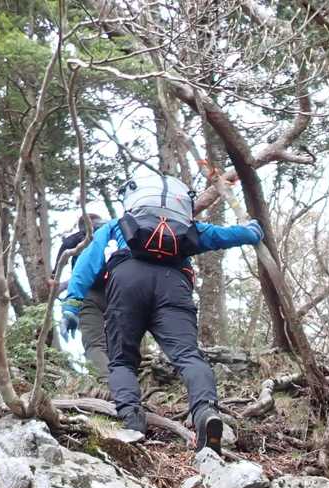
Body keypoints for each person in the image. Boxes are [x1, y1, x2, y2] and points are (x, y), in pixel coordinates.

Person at [59, 175, 263, 451]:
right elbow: (221, 236)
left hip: (127, 282)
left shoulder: (118, 225)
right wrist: (250, 232)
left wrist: (72, 304)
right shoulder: (185, 229)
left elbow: (88, 261)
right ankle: (205, 412)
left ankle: (132, 420)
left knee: (122, 360)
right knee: (188, 355)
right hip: (173, 284)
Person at [56, 213, 108, 376]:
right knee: (122, 341)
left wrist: (55, 279)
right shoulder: (112, 232)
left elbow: (58, 273)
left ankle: (107, 382)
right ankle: (130, 378)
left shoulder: (74, 240)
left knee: (95, 344)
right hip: (116, 291)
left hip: (87, 294)